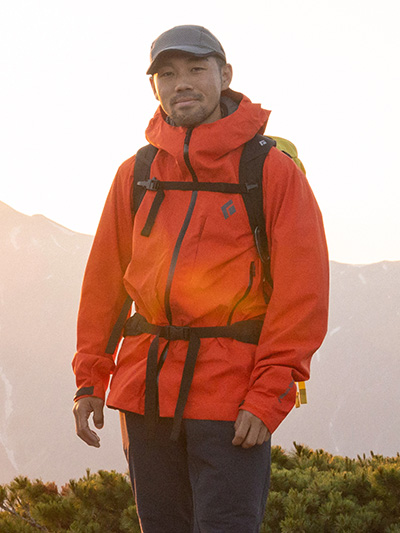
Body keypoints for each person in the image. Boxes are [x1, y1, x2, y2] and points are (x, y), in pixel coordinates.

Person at [72, 25, 328, 532]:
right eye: (166, 74)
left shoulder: (270, 171)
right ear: (154, 88)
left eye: (195, 69)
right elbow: (104, 287)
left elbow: (303, 295)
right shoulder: (137, 172)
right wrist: (89, 380)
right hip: (145, 396)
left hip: (232, 402)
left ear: (225, 75)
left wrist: (269, 393)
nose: (180, 83)